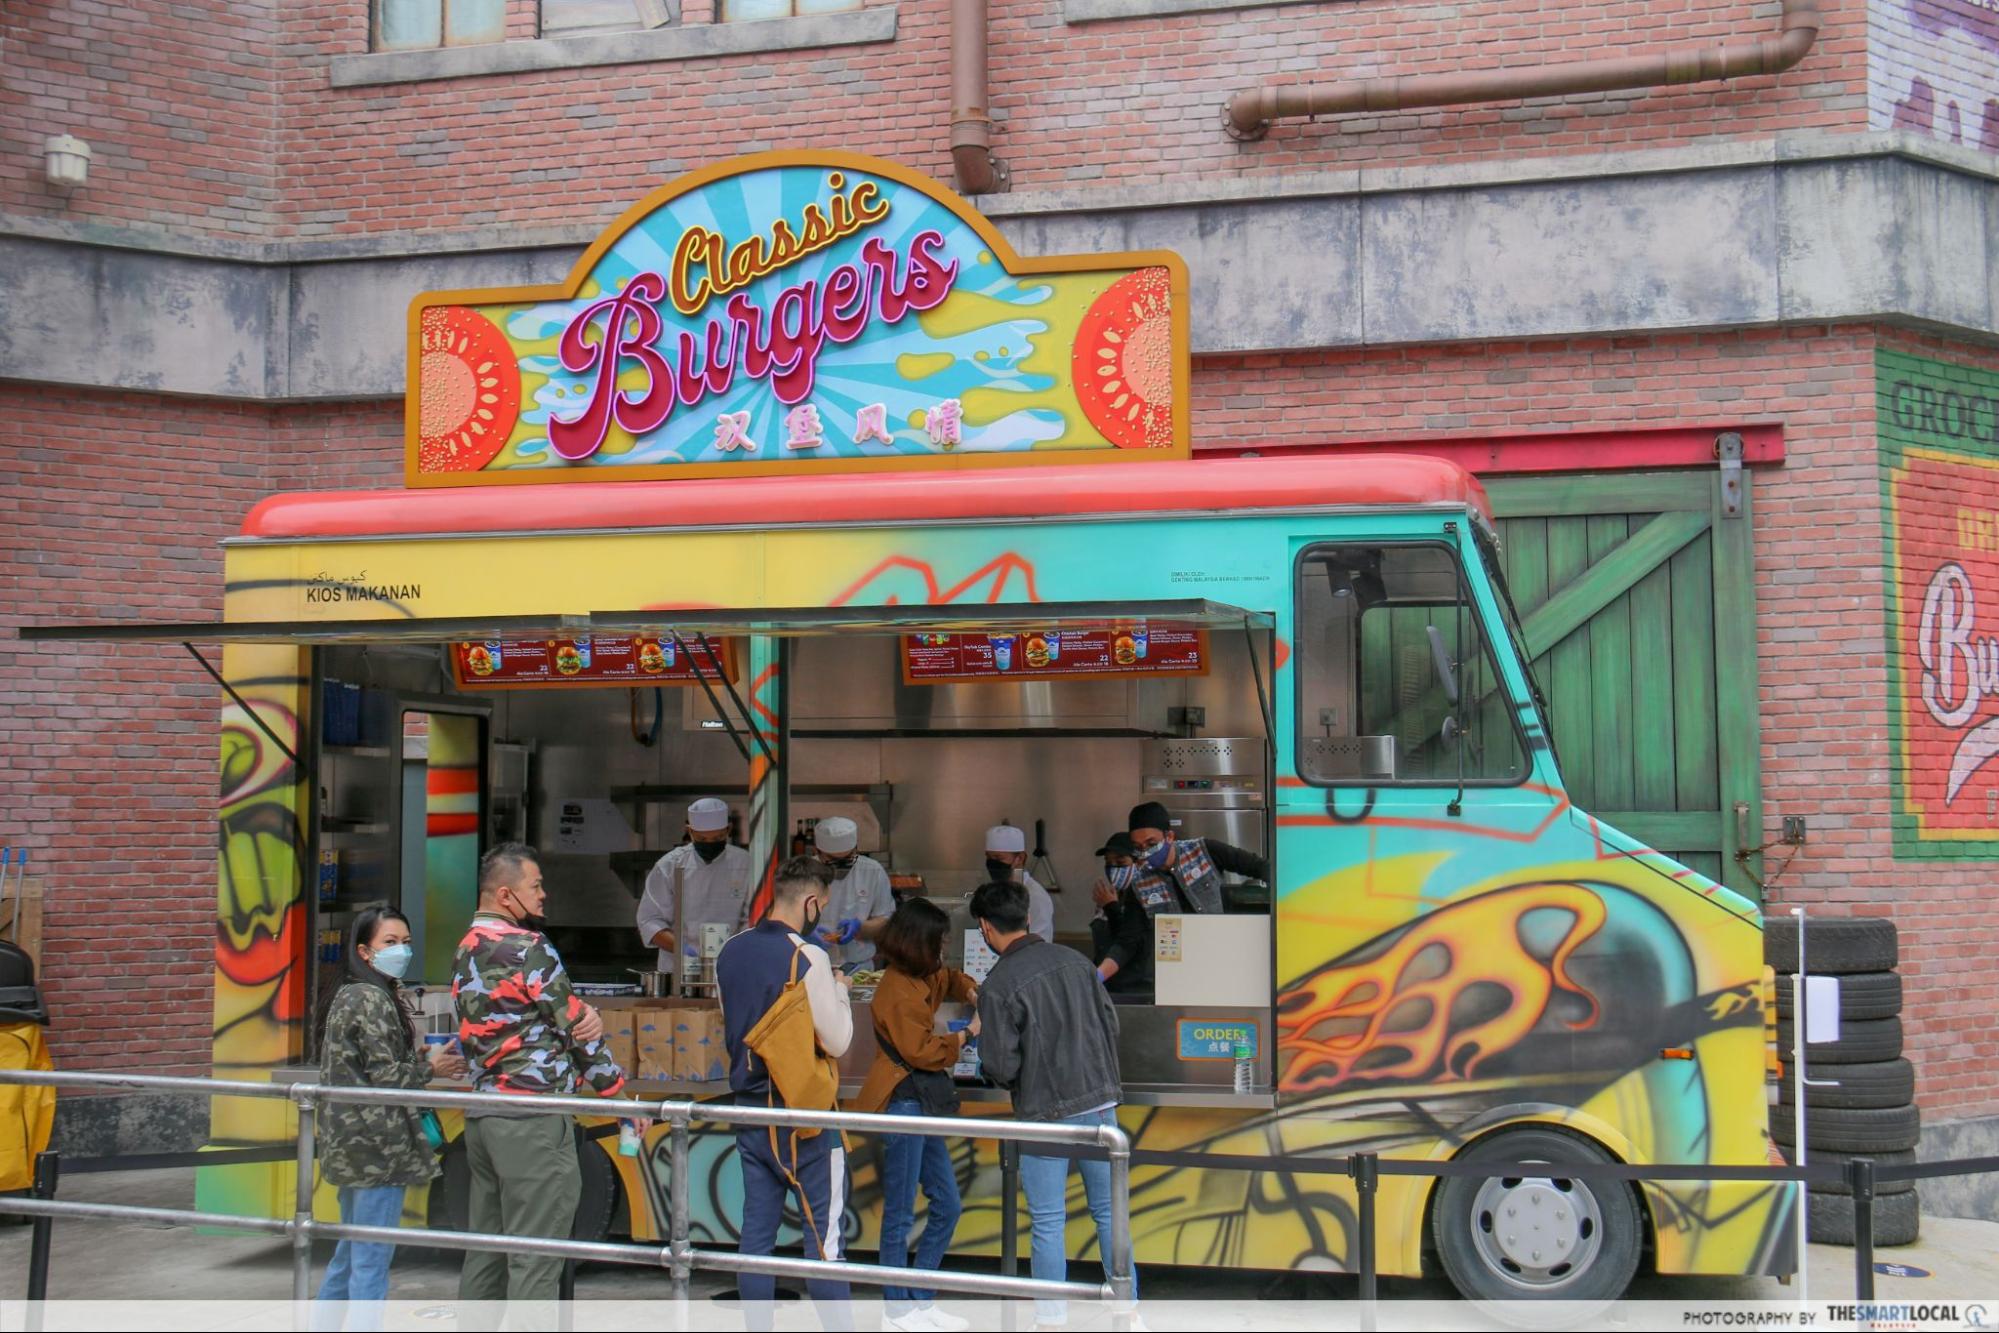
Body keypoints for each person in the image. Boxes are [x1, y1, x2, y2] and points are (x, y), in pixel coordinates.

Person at [453, 844, 636, 1312]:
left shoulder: (467, 947)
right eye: (535, 886)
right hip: (533, 1120)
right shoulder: (528, 948)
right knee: (537, 1256)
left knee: (487, 1252)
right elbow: (576, 1028)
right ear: (505, 893)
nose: (543, 894)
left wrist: (579, 1016)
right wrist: (619, 1096)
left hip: (484, 1116)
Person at [972, 879, 1138, 1328]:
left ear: (985, 928)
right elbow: (1111, 1025)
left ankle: (1051, 1319)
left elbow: (1001, 1064)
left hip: (1045, 1114)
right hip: (1102, 1106)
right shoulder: (1077, 962)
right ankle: (1127, 1310)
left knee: (1048, 1221)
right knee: (1110, 1214)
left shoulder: (998, 984)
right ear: (1026, 918)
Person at [715, 855, 855, 1330]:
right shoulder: (808, 955)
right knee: (824, 1242)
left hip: (750, 1110)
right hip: (803, 1113)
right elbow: (836, 1040)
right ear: (812, 902)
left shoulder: (729, 951)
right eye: (823, 906)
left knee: (756, 1236)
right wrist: (839, 988)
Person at [314, 908, 467, 1331]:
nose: (401, 950)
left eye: (405, 941)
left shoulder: (353, 993)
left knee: (350, 1254)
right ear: (365, 951)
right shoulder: (370, 998)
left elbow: (367, 1067)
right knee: (370, 1262)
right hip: (377, 1148)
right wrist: (430, 1068)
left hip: (351, 1144)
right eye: (389, 942)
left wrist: (418, 1061)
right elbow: (386, 1079)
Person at [854, 900, 978, 1333]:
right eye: (940, 940)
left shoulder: (922, 974)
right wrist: (965, 1035)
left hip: (920, 1102)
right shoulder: (896, 990)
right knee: (902, 1213)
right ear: (920, 943)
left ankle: (920, 1300)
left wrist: (971, 989)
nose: (945, 947)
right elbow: (922, 1052)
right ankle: (897, 1311)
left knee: (947, 1204)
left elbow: (950, 979)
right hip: (904, 1100)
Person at [1095, 801, 1270, 999]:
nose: (1145, 853)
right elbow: (1127, 942)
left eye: (1152, 844)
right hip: (1176, 975)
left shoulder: (1204, 851)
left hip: (1225, 962)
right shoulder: (1139, 882)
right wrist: (1097, 976)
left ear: (1169, 836)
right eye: (1138, 847)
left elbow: (1261, 867)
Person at [637, 796, 752, 982]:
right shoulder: (669, 866)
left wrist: (734, 950)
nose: (709, 844)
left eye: (717, 838)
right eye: (701, 838)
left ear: (728, 830)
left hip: (732, 967)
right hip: (679, 971)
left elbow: (754, 919)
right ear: (689, 831)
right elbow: (649, 920)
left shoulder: (745, 864)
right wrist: (684, 949)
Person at [812, 817, 895, 972]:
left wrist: (861, 927)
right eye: (833, 860)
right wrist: (806, 932)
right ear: (817, 851)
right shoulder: (804, 873)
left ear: (856, 849)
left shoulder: (873, 871)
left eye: (848, 858)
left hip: (859, 967)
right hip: (812, 966)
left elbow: (885, 920)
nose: (842, 865)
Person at [982, 824, 1055, 944]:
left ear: (1020, 858)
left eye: (998, 858)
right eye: (989, 857)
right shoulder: (992, 892)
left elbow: (1039, 944)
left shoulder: (1036, 896)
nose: (992, 863)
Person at [1087, 832, 1136, 968]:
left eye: (1120, 862)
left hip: (1130, 983)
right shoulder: (1107, 896)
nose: (1113, 868)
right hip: (1106, 979)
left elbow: (1129, 942)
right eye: (1108, 863)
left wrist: (1111, 907)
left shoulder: (1147, 898)